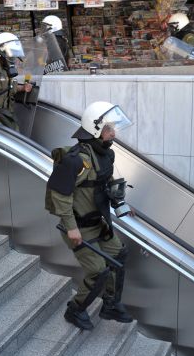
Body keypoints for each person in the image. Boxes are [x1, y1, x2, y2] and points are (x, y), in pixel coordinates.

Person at [45, 101, 135, 330]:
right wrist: (71, 227)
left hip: (98, 223)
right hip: (78, 226)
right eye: (108, 129)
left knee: (119, 255)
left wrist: (119, 201)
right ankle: (75, 310)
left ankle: (110, 304)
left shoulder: (106, 155)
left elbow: (104, 183)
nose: (113, 133)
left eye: (112, 128)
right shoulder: (75, 160)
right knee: (98, 271)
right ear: (95, 130)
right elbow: (60, 195)